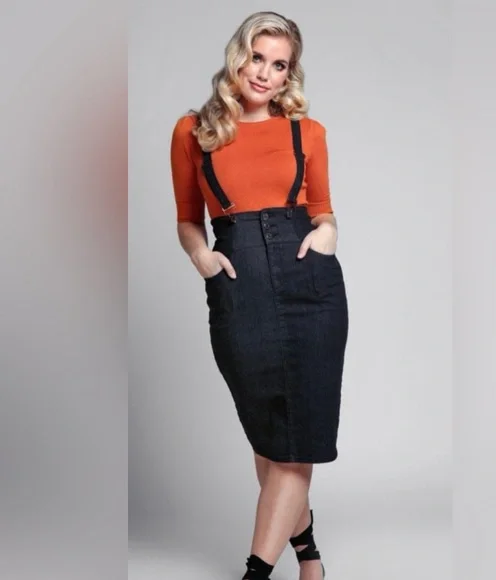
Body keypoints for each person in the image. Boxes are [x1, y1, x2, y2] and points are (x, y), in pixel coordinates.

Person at [169, 11, 348, 580]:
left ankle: (256, 572)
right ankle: (308, 553)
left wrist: (326, 235)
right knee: (270, 437)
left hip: (309, 287)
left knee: (298, 439)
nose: (265, 73)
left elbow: (324, 211)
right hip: (239, 287)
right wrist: (202, 258)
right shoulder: (192, 131)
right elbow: (187, 219)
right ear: (237, 56)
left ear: (290, 73)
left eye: (280, 64)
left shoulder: (308, 132)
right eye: (257, 57)